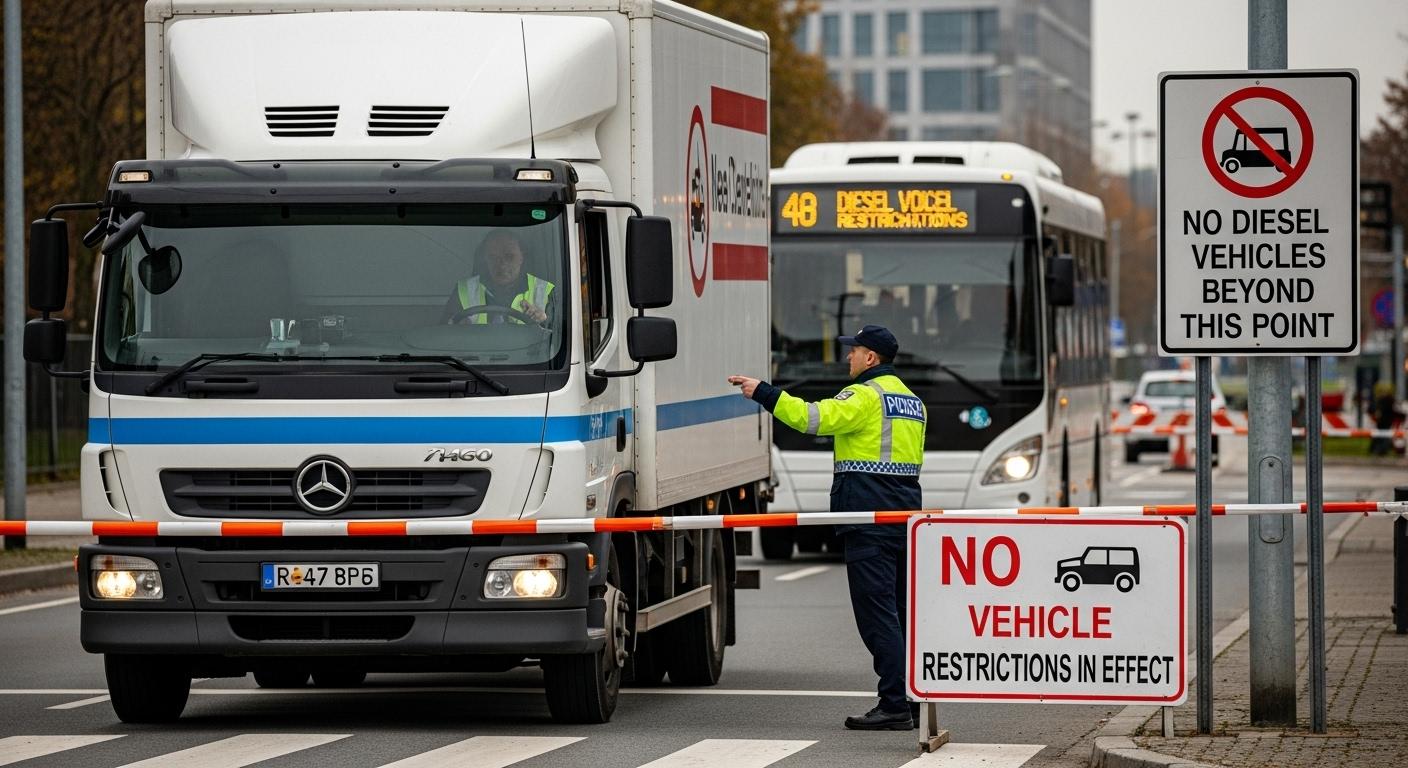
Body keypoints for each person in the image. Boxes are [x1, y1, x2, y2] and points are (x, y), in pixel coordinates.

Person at [728, 324, 926, 731]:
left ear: (871, 358)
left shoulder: (864, 396)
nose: (847, 357)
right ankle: (912, 699)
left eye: (853, 351)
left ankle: (894, 704)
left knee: (878, 616)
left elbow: (811, 418)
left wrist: (763, 392)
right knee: (902, 614)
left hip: (866, 519)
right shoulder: (912, 401)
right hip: (903, 519)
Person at [443, 229, 555, 325]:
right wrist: (457, 330)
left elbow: (561, 335)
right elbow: (444, 333)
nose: (501, 264)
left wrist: (544, 321)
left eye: (509, 256)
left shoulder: (545, 290)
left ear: (522, 257)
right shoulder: (464, 290)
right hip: (476, 350)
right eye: (493, 257)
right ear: (485, 259)